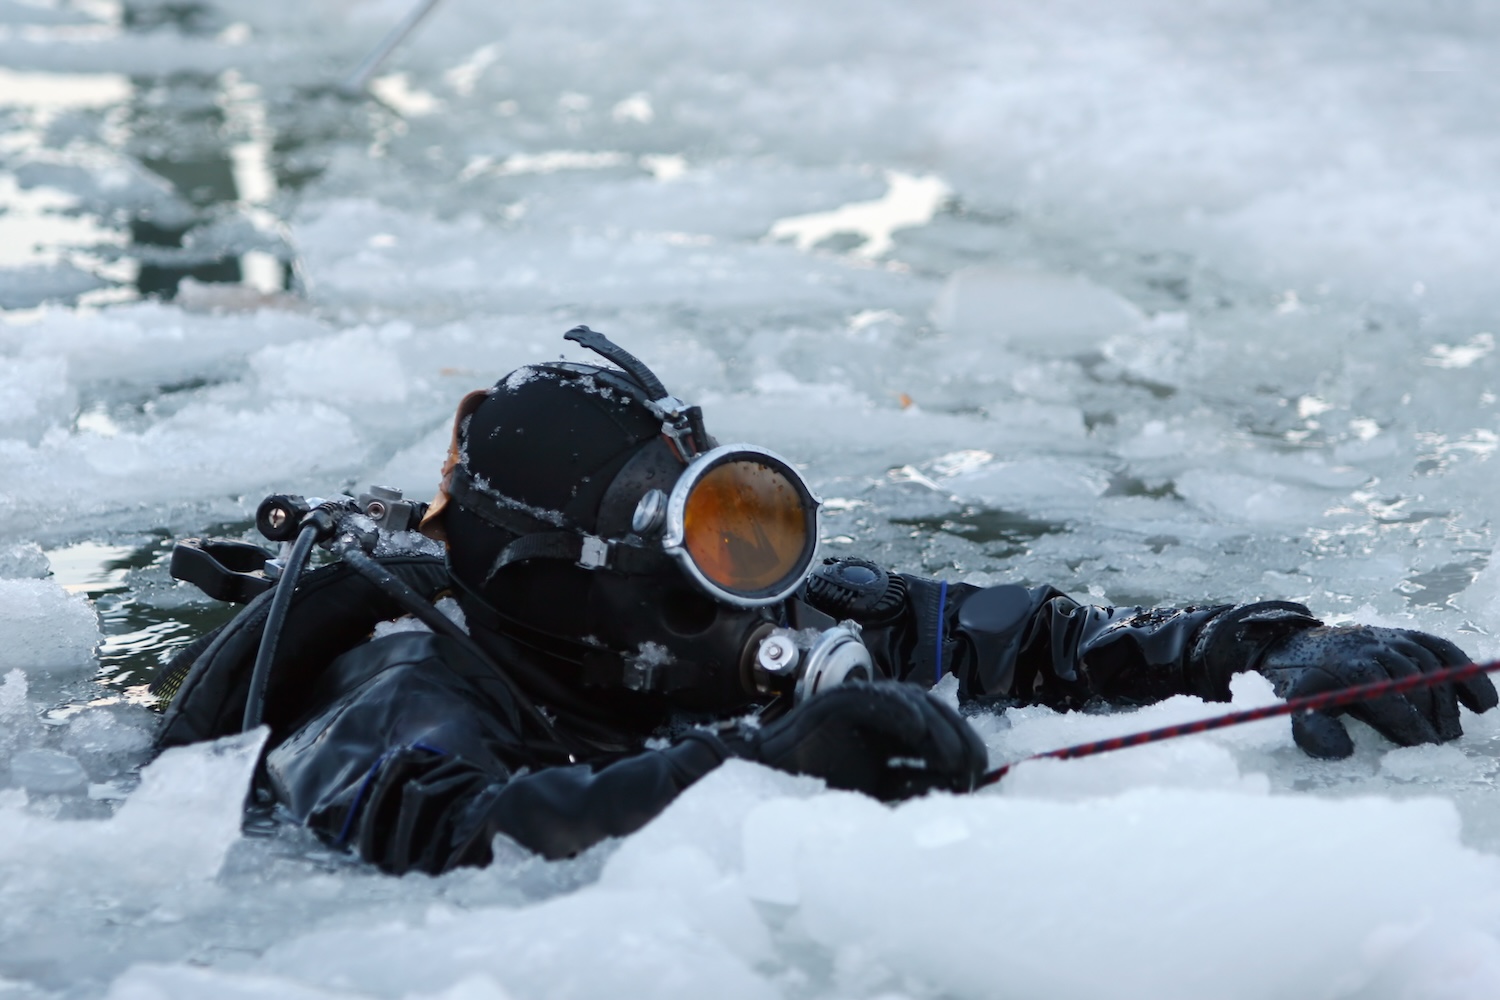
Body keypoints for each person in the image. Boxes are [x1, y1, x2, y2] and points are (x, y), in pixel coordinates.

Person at [152, 327, 1498, 876]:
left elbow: (1040, 641)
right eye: (695, 538)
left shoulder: (745, 610)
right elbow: (456, 835)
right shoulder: (399, 684)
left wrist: (1274, 643)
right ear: (563, 576)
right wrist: (760, 765)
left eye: (742, 521)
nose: (737, 578)